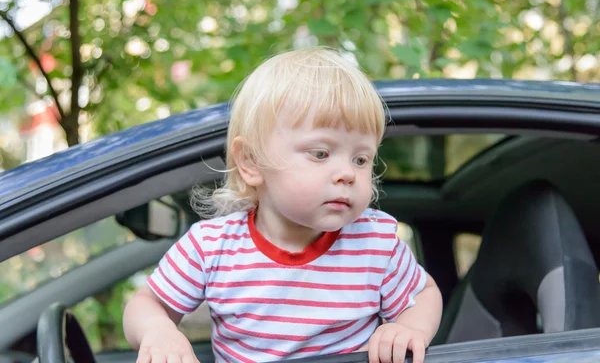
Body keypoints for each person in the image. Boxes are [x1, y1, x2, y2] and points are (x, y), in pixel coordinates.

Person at [123, 47, 443, 363]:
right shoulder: (212, 247)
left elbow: (425, 294)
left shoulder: (374, 243)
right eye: (320, 153)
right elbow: (147, 302)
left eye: (361, 159)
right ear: (251, 162)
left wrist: (407, 327)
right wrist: (157, 330)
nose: (348, 173)